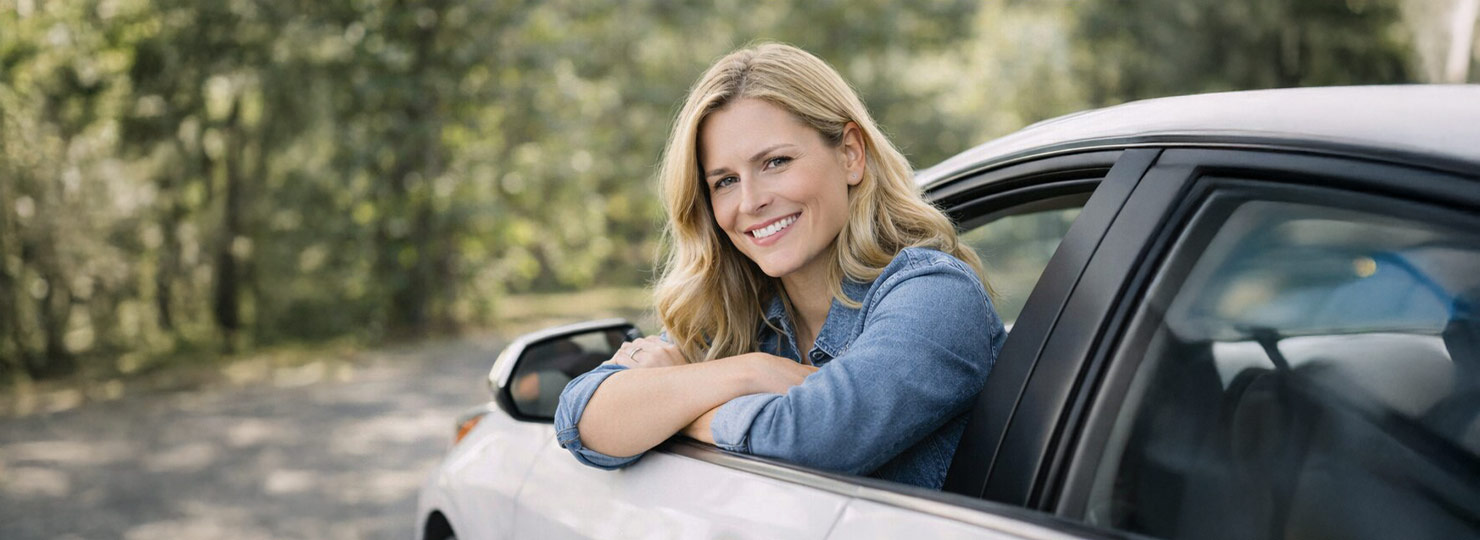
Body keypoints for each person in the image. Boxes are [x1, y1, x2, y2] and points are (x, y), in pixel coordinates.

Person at [552, 43, 1004, 490]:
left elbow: (810, 439)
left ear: (850, 154)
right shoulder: (743, 319)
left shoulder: (936, 295)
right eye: (725, 181)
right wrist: (750, 372)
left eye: (776, 162)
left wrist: (674, 404)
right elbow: (580, 418)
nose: (751, 201)